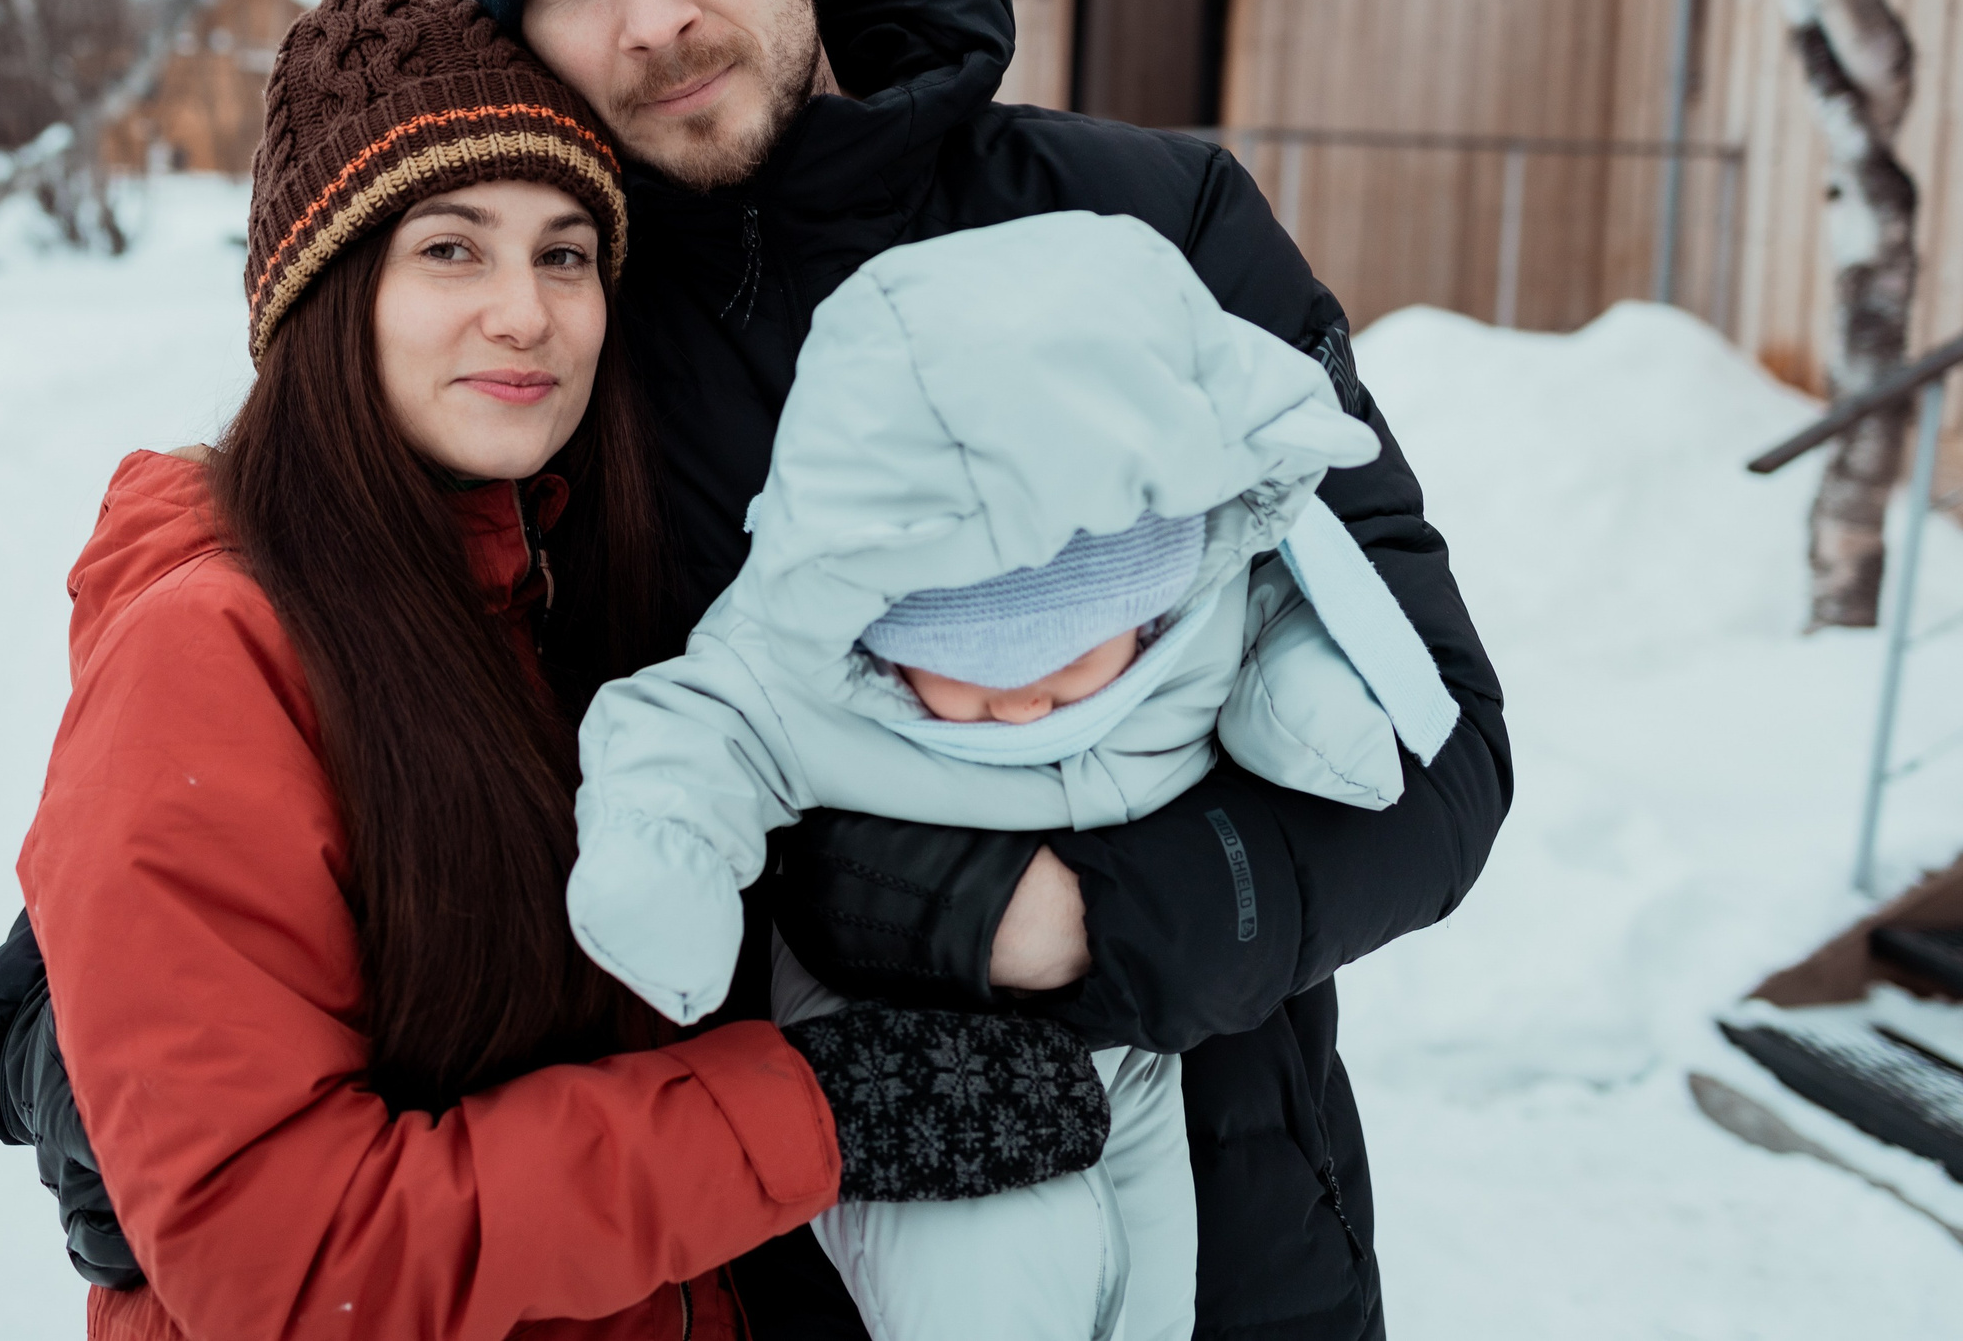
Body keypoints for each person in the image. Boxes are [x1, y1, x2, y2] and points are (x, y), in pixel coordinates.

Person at [0, 0, 1512, 1336]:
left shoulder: (1142, 225)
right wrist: (57, 1014)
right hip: (764, 1267)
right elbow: (354, 645)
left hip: (1232, 1229)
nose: (652, 18)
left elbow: (1434, 754)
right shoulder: (565, 338)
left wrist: (1044, 921)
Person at [0, 0, 1118, 1341]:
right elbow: (294, 1262)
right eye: (451, 246)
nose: (524, 310)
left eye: (563, 252)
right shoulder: (216, 643)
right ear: (329, 296)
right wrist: (804, 1111)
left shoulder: (551, 588)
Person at [567, 212, 1463, 1341]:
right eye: (973, 675)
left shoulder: (1195, 602)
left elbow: (1293, 622)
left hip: (1143, 1041)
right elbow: (693, 731)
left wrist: (1308, 712)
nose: (1027, 701)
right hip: (901, 1040)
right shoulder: (815, 653)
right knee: (983, 1271)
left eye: (1068, 656)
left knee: (1152, 1289)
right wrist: (663, 865)